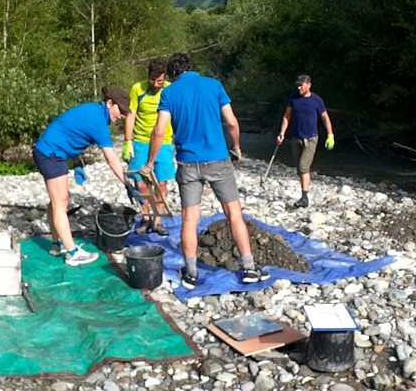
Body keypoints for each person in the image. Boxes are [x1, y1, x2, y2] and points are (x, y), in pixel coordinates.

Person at [142, 53, 269, 289]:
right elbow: (231, 122)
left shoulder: (169, 93)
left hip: (188, 164)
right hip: (218, 159)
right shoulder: (214, 85)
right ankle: (249, 268)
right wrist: (237, 147)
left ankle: (190, 273)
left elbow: (159, 131)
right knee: (234, 214)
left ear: (172, 74)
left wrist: (150, 162)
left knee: (190, 219)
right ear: (191, 68)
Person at [34, 86, 141, 266]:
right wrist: (126, 183)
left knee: (55, 201)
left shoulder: (94, 111)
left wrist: (76, 162)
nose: (122, 116)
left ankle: (56, 244)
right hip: (51, 154)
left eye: (125, 112)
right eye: (120, 110)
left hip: (48, 151)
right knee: (61, 202)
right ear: (110, 103)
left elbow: (72, 131)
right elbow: (111, 157)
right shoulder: (98, 121)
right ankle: (72, 253)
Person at [122, 59, 175, 236]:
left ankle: (157, 221)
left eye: (159, 80)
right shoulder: (138, 89)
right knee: (141, 184)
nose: (155, 84)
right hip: (141, 141)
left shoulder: (170, 89)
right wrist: (127, 141)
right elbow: (131, 115)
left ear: (165, 78)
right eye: (152, 80)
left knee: (161, 184)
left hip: (164, 142)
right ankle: (145, 218)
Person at [275, 74, 335, 208]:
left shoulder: (316, 100)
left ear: (309, 85)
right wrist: (282, 133)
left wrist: (330, 134)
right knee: (300, 169)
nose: (299, 87)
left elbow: (325, 118)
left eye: (301, 85)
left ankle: (304, 197)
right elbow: (286, 116)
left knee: (303, 167)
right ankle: (305, 192)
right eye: (298, 85)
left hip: (311, 138)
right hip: (295, 138)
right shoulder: (293, 99)